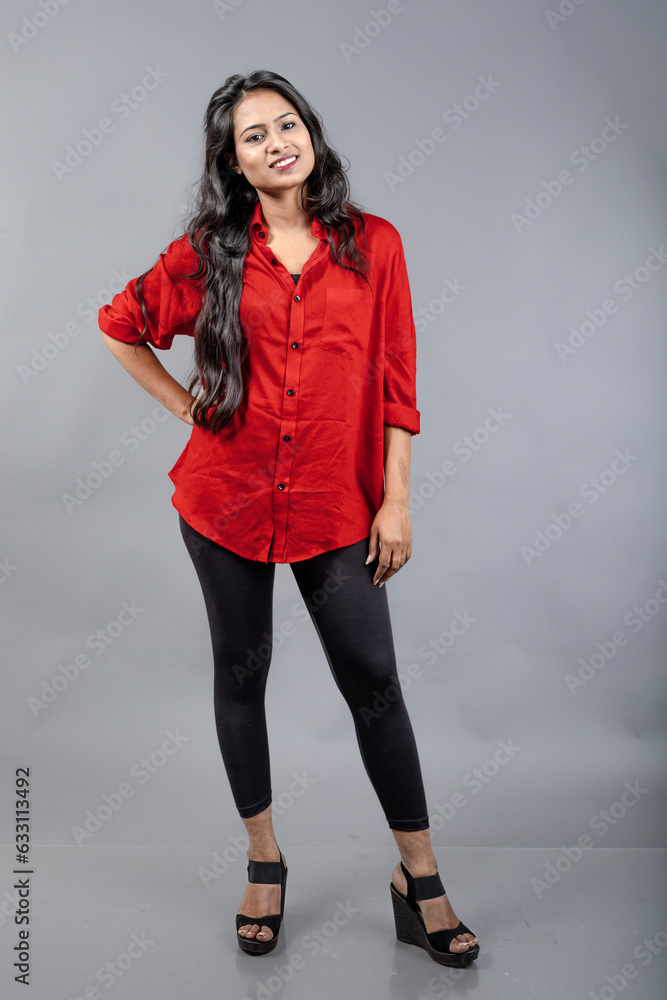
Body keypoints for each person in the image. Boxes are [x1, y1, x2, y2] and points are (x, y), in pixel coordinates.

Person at [98, 69, 479, 967]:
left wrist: (395, 500)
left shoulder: (374, 245)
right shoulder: (209, 252)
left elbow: (396, 381)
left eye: (286, 124)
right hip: (225, 502)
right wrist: (187, 408)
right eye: (253, 135)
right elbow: (120, 323)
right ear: (233, 163)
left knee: (373, 683)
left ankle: (419, 878)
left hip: (336, 506)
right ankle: (263, 861)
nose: (277, 142)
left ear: (310, 132)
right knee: (242, 675)